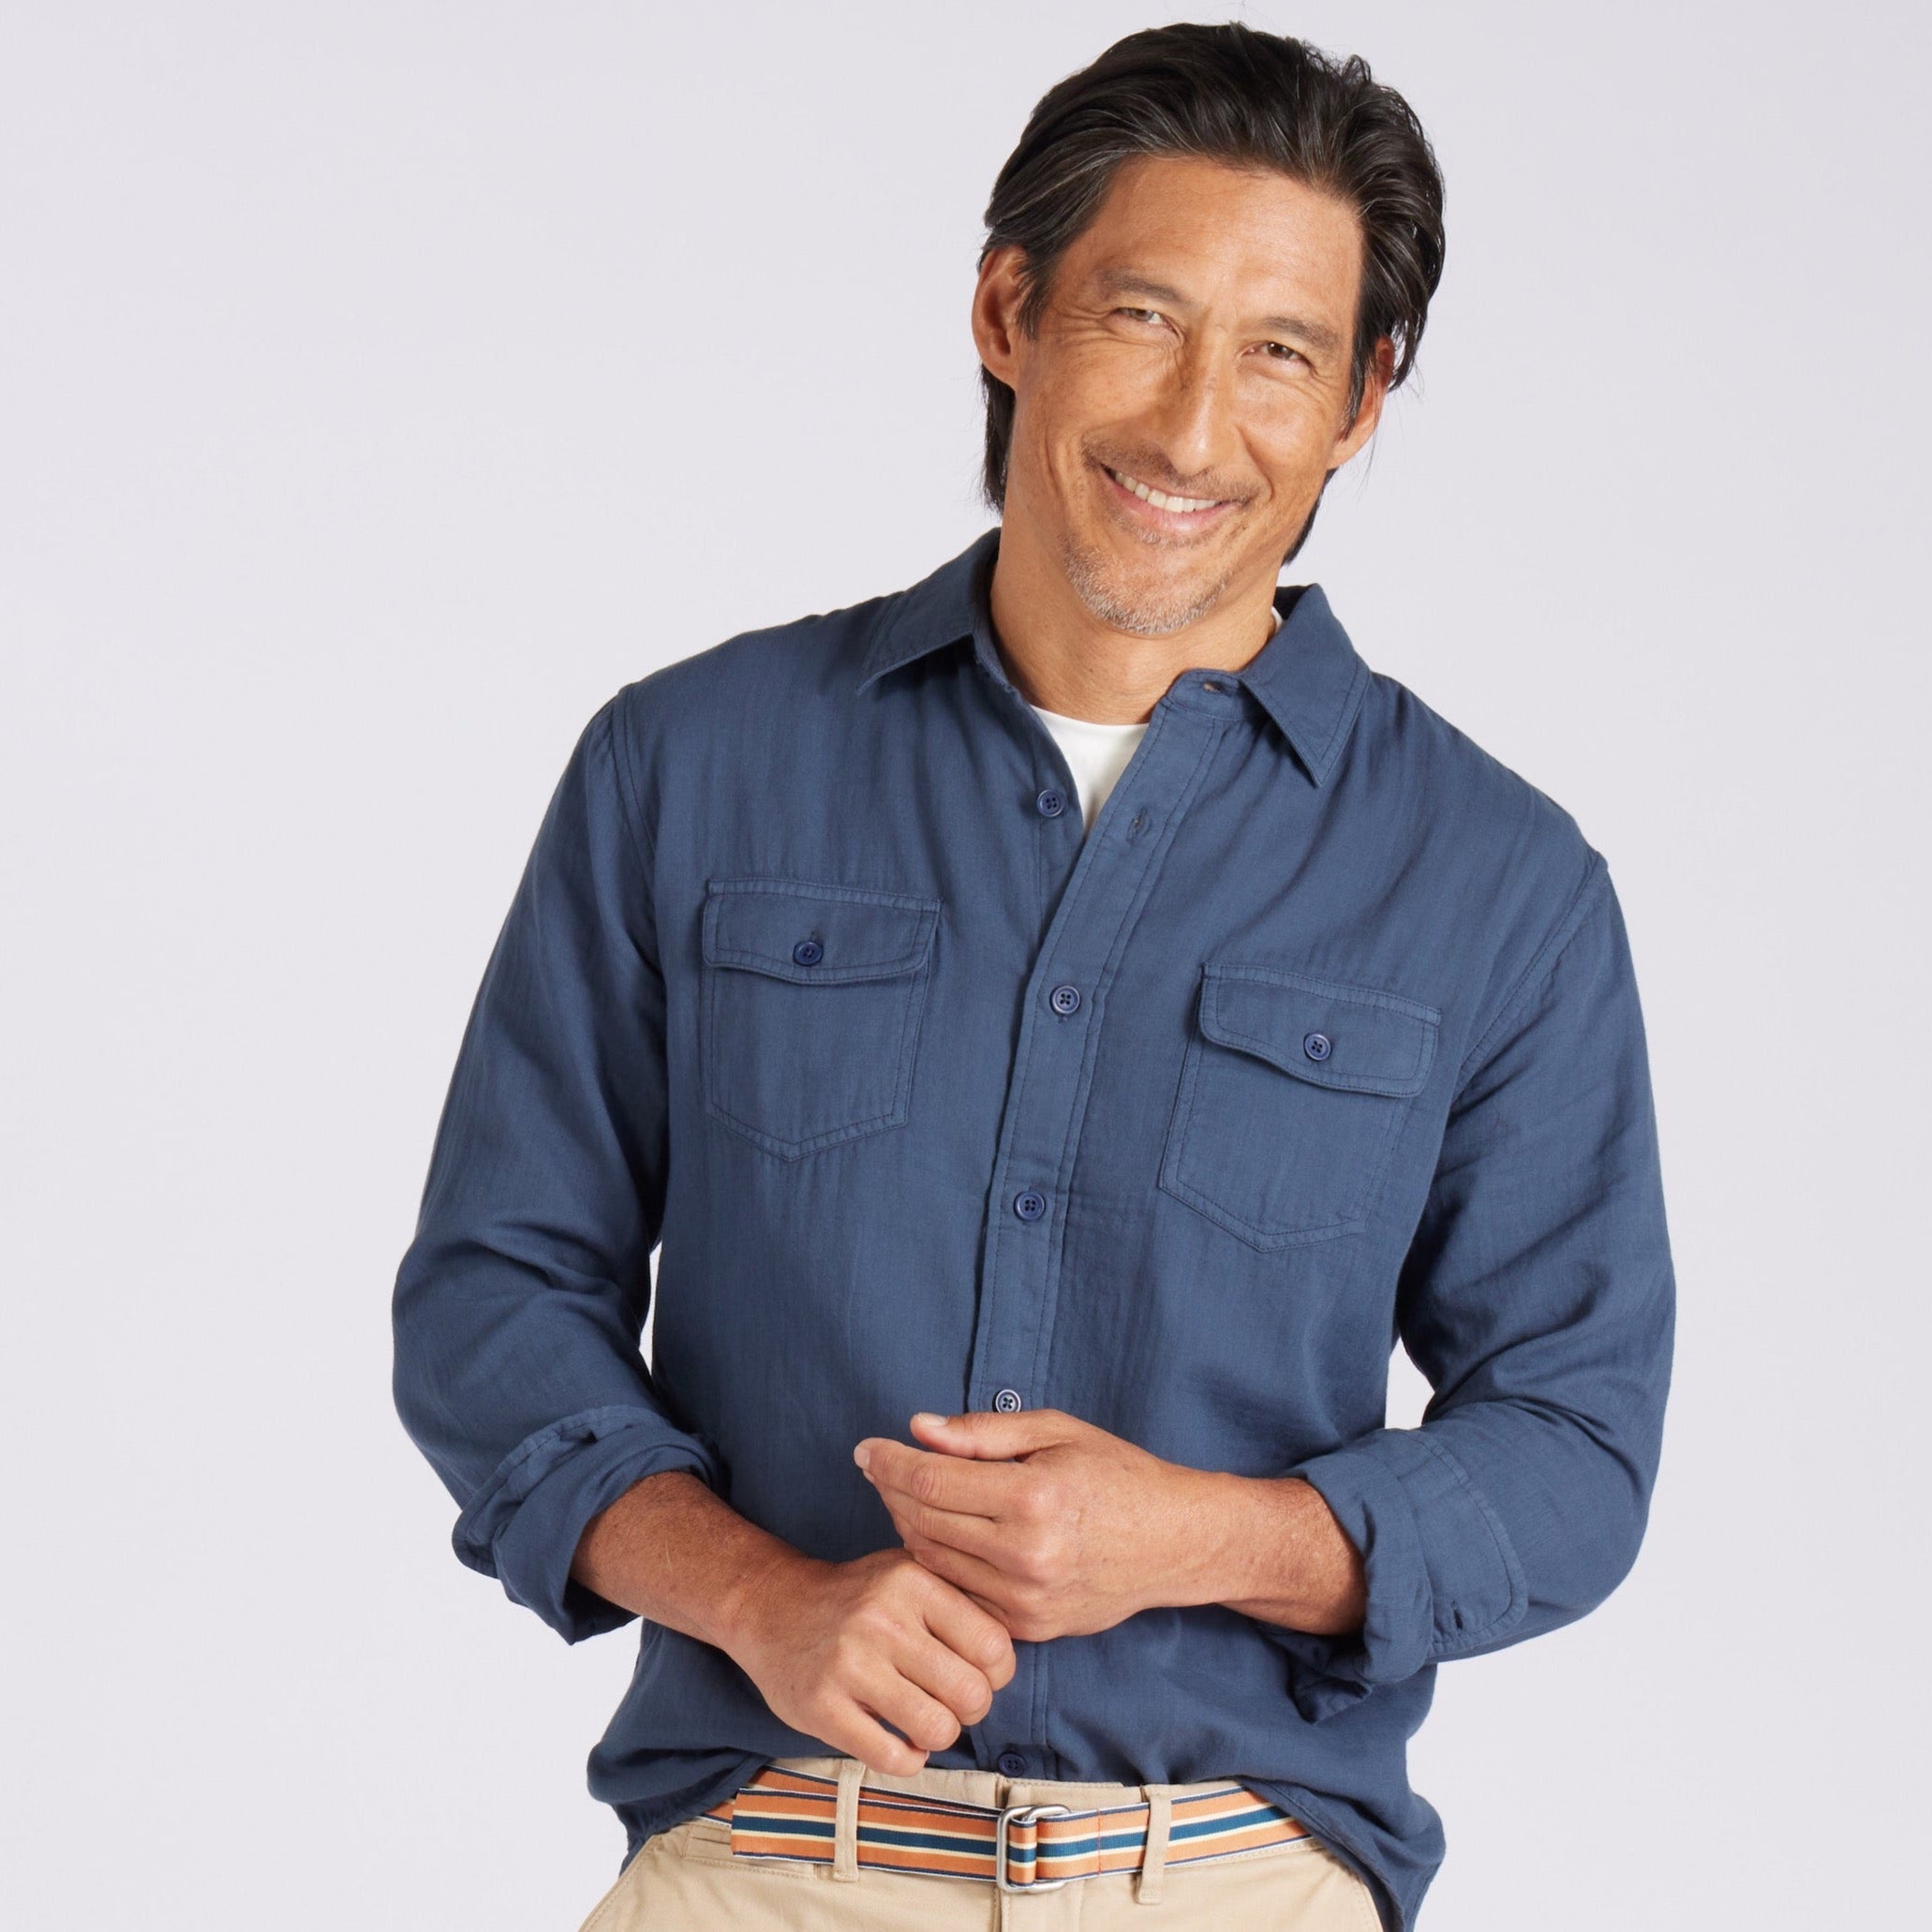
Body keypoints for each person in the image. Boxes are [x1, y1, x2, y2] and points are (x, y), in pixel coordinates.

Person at [391, 22, 1675, 1932]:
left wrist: (1202, 1535)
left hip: (1233, 1884)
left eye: (1278, 354)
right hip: (769, 1868)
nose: (1192, 429)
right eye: (1140, 318)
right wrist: (763, 1596)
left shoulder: (1499, 884)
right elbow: (494, 1296)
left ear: (1361, 399)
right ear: (1009, 310)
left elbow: (1571, 1448)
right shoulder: (690, 765)